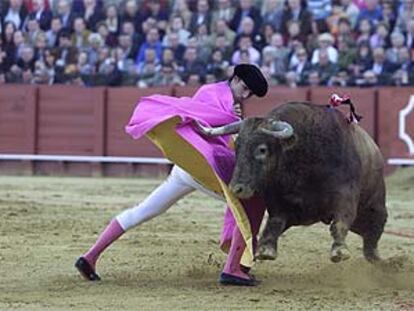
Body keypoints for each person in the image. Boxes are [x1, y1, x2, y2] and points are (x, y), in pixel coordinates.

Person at [75, 63, 269, 286]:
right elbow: (201, 124)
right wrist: (233, 120)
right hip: (204, 168)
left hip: (186, 168)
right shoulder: (213, 94)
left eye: (250, 94)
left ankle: (89, 257)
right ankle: (234, 269)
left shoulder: (223, 98)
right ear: (234, 79)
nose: (245, 95)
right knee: (249, 201)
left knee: (144, 210)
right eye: (244, 88)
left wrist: (233, 119)